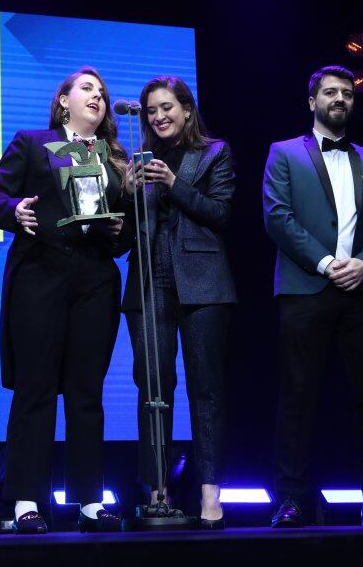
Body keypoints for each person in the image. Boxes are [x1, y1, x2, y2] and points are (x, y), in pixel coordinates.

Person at [263, 65, 363, 527]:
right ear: (311, 100)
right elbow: (278, 217)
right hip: (306, 289)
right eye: (331, 92)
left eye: (348, 94)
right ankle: (291, 499)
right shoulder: (283, 154)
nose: (341, 99)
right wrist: (325, 263)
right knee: (297, 396)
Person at [0, 67, 127, 534]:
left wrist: (120, 233)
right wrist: (12, 211)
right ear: (63, 101)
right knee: (35, 388)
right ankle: (26, 501)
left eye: (101, 91)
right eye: (86, 89)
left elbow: (121, 230)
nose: (97, 97)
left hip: (96, 279)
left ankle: (88, 502)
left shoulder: (114, 157)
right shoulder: (31, 141)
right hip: (41, 273)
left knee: (86, 392)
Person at [121, 76, 236, 529]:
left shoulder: (213, 153)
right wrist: (126, 195)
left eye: (167, 107)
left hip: (204, 283)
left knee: (205, 390)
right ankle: (157, 491)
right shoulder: (136, 159)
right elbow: (125, 232)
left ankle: (210, 497)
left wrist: (173, 184)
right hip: (150, 281)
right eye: (151, 110)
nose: (158, 117)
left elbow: (220, 213)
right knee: (153, 390)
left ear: (186, 109)